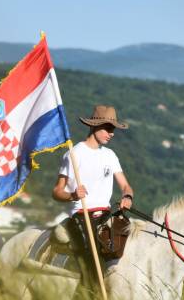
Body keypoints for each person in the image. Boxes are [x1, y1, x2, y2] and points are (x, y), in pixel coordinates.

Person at [52, 105, 134, 256]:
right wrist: (73, 196)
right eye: (108, 128)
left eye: (113, 130)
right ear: (94, 126)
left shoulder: (110, 155)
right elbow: (57, 191)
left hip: (106, 214)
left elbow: (126, 186)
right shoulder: (74, 154)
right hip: (81, 214)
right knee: (91, 255)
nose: (112, 134)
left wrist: (127, 197)